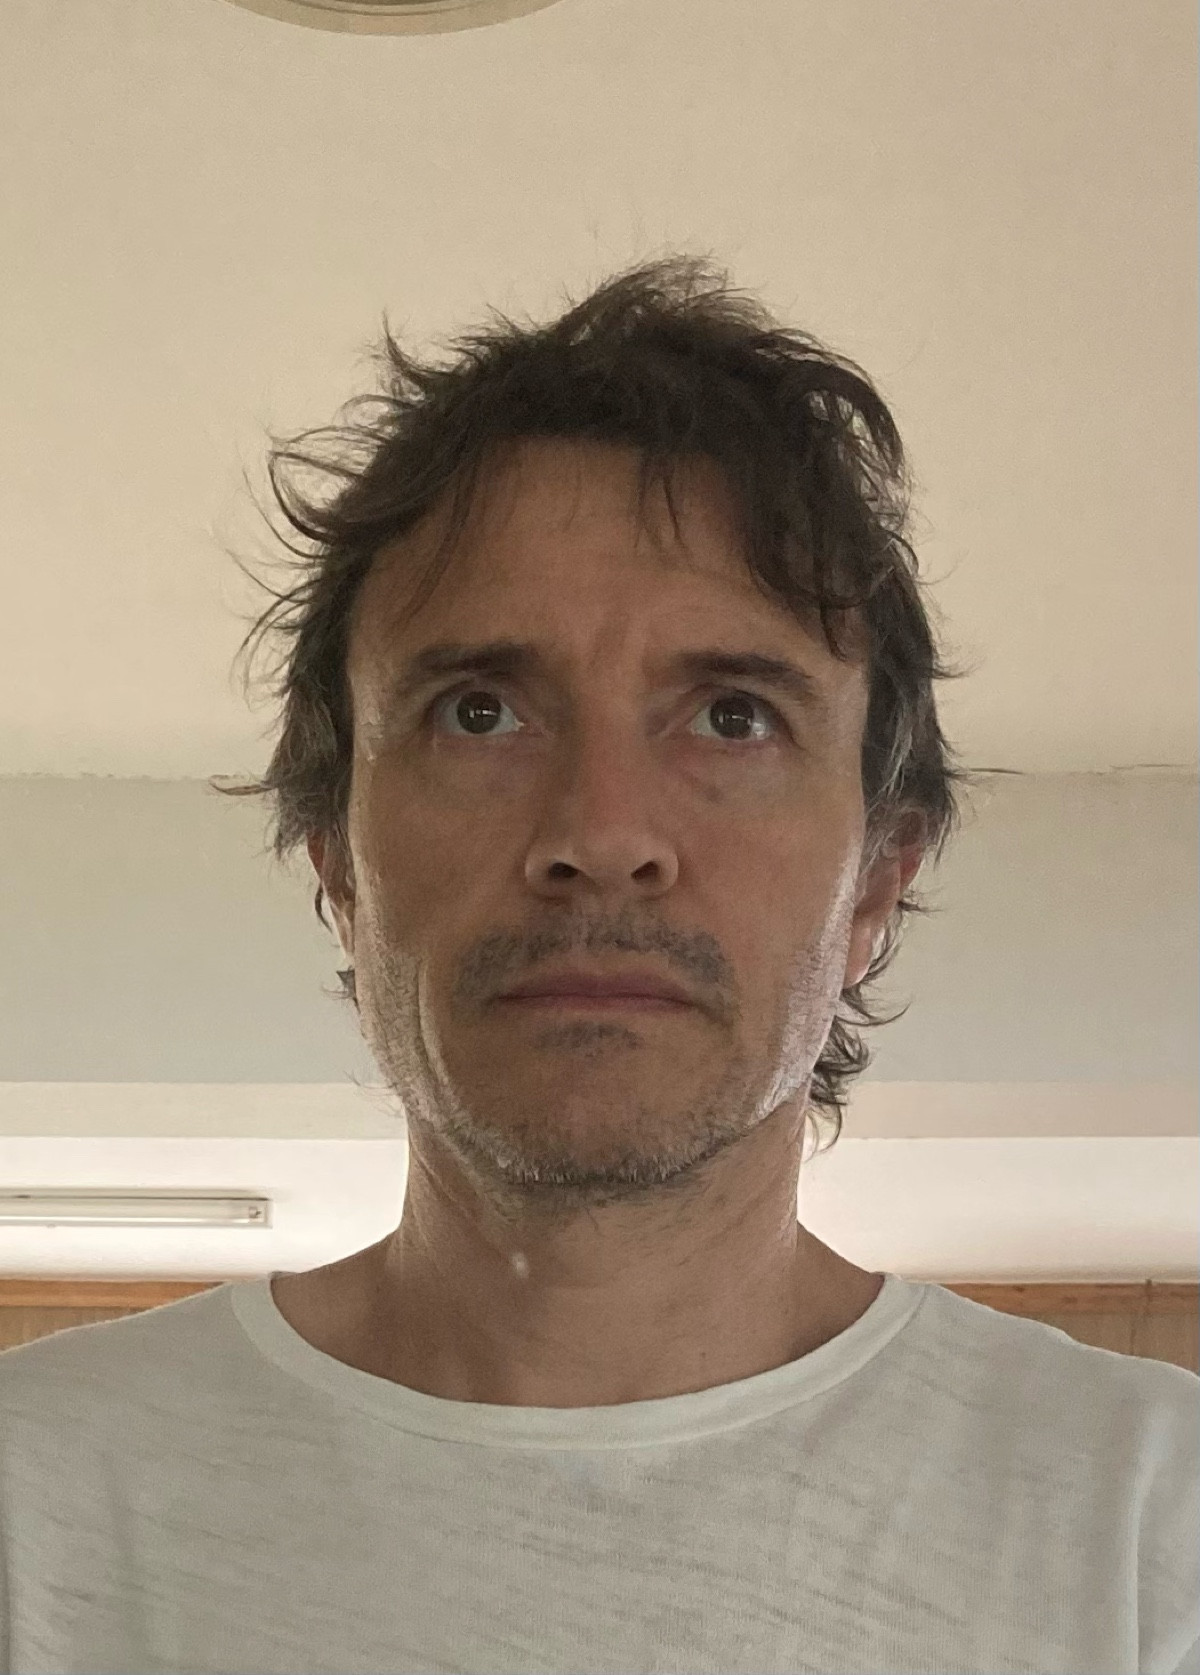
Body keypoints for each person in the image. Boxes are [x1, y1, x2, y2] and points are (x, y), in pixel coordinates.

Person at [1, 256, 1195, 1674]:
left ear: (877, 879)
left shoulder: (1156, 1528)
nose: (602, 834)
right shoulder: (35, 1510)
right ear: (338, 859)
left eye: (734, 716)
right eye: (481, 712)